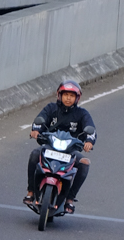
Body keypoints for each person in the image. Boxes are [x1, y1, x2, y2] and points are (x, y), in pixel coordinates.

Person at [26, 79, 95, 209]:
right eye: (66, 95)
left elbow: (91, 130)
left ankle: (70, 198)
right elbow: (39, 121)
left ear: (77, 98)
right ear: (59, 95)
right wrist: (35, 130)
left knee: (85, 163)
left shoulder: (82, 114)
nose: (68, 98)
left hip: (70, 151)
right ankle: (31, 191)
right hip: (50, 147)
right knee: (35, 154)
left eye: (72, 96)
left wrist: (89, 142)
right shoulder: (51, 108)